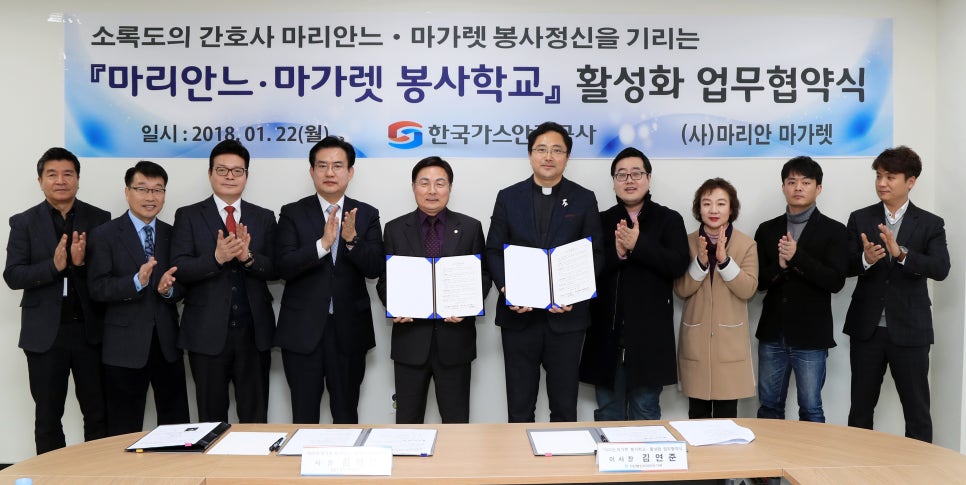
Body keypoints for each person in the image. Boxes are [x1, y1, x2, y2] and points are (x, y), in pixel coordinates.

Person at [485, 121, 603, 422]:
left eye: (556, 150)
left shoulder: (584, 198)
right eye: (541, 149)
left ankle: (562, 455)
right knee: (519, 407)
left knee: (564, 407)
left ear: (567, 157)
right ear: (530, 154)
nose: (548, 156)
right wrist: (507, 289)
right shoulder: (508, 197)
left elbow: (596, 253)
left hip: (567, 320)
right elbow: (493, 250)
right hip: (519, 319)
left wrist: (575, 294)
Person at [3, 147, 110, 454]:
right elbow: (13, 275)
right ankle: (52, 475)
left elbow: (107, 272)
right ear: (40, 181)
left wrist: (81, 263)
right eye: (52, 174)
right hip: (45, 335)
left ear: (77, 179)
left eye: (68, 174)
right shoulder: (23, 222)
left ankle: (97, 473)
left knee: (98, 413)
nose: (60, 180)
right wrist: (54, 266)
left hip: (90, 332)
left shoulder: (99, 219)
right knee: (48, 417)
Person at [275, 135, 385, 424]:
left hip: (349, 330)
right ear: (312, 171)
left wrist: (352, 240)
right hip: (302, 332)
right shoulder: (292, 213)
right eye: (322, 166)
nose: (329, 172)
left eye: (337, 166)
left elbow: (375, 268)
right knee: (303, 416)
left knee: (346, 415)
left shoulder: (368, 214)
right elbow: (283, 265)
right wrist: (322, 245)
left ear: (350, 171)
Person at [844, 146, 949, 442]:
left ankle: (918, 467)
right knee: (860, 411)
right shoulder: (860, 218)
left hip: (911, 330)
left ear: (910, 181)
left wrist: (902, 254)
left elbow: (940, 268)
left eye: (890, 177)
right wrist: (866, 259)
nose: (882, 183)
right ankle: (858, 466)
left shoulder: (930, 223)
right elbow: (844, 267)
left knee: (917, 413)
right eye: (879, 176)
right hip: (867, 331)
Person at [376, 156, 492, 423]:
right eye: (424, 183)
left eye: (440, 183)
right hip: (410, 341)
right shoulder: (394, 229)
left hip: (455, 342)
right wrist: (394, 305)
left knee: (456, 422)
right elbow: (384, 280)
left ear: (450, 187)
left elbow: (483, 275)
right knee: (407, 422)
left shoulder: (470, 227)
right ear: (413, 187)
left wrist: (468, 306)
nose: (432, 191)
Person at [171, 139, 278, 423]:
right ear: (210, 174)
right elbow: (179, 267)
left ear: (246, 175)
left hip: (253, 334)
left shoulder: (264, 217)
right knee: (210, 420)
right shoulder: (188, 215)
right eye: (222, 170)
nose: (230, 176)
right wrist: (216, 258)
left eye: (237, 171)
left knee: (255, 419)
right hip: (205, 334)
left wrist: (248, 257)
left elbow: (276, 268)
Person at [578, 147, 689, 421]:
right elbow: (584, 270)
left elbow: (677, 264)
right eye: (621, 175)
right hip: (606, 336)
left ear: (648, 178)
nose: (629, 180)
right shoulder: (600, 220)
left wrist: (639, 244)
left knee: (645, 412)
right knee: (608, 414)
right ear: (614, 182)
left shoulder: (669, 219)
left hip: (649, 338)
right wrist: (617, 253)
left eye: (636, 173)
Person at [86, 161, 190, 435]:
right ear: (127, 192)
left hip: (167, 344)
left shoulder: (173, 233)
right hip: (124, 346)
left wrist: (168, 290)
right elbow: (97, 287)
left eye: (157, 190)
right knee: (123, 428)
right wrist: (136, 282)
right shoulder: (104, 234)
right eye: (142, 189)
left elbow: (185, 283)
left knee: (176, 427)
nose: (150, 197)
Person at [754, 156, 848, 422]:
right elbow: (758, 283)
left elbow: (835, 281)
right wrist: (781, 265)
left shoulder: (834, 231)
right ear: (783, 187)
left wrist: (797, 258)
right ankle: (770, 452)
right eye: (791, 181)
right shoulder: (766, 229)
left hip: (811, 334)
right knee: (769, 406)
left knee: (810, 408)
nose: (798, 187)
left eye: (806, 182)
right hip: (773, 333)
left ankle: (810, 454)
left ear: (818, 188)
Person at [674, 178, 758, 419]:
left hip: (730, 345)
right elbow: (681, 289)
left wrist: (724, 261)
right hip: (696, 342)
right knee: (697, 415)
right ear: (698, 209)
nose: (713, 210)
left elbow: (749, 289)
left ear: (731, 209)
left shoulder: (746, 244)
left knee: (726, 418)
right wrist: (701, 263)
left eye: (721, 203)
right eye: (706, 203)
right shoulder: (686, 242)